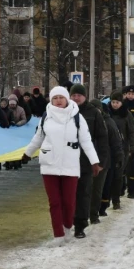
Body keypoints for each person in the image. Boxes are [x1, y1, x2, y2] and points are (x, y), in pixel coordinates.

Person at [23, 87, 100, 245]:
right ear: (51, 100)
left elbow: (86, 141)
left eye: (61, 97)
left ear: (67, 99)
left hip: (70, 165)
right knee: (55, 202)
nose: (58, 100)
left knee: (69, 201)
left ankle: (67, 229)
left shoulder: (77, 117)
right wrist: (27, 153)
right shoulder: (46, 116)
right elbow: (38, 138)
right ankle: (58, 235)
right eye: (55, 98)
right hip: (49, 163)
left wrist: (94, 161)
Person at [69, 84, 109, 238]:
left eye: (79, 95)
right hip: (67, 160)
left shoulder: (94, 113)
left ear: (84, 96)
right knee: (68, 194)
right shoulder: (65, 112)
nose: (76, 97)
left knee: (84, 193)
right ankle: (67, 222)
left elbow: (102, 138)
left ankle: (80, 225)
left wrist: (100, 161)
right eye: (74, 95)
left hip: (86, 161)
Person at [89, 99, 123, 224]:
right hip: (86, 161)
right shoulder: (86, 121)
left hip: (103, 161)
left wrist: (118, 159)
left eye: (96, 109)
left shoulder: (108, 123)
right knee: (86, 189)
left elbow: (116, 142)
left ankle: (94, 215)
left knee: (98, 189)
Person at [106, 91, 134, 211]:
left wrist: (132, 148)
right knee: (107, 176)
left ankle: (116, 200)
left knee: (117, 176)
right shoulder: (107, 113)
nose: (114, 105)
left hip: (122, 149)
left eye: (117, 102)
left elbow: (132, 132)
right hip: (107, 149)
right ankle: (105, 201)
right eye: (113, 102)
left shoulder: (126, 114)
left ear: (121, 103)